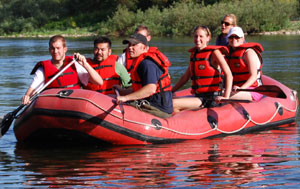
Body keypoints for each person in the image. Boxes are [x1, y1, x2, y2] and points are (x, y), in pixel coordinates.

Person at [22, 35, 103, 104]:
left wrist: (85, 64)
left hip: (73, 103)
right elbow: (32, 88)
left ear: (65, 49)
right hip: (52, 105)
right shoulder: (43, 68)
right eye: (52, 48)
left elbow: (99, 82)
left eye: (58, 48)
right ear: (49, 50)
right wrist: (27, 96)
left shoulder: (75, 63)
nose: (55, 51)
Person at [172, 26, 233, 113]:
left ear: (208, 38)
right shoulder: (194, 54)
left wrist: (226, 97)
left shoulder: (214, 53)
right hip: (198, 96)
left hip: (211, 98)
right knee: (168, 102)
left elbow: (229, 74)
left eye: (201, 36)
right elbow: (185, 78)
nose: (198, 39)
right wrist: (171, 91)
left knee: (173, 104)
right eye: (196, 36)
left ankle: (177, 125)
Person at [114, 33, 173, 118]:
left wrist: (126, 98)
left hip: (157, 109)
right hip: (150, 104)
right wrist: (121, 90)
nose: (130, 48)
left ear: (144, 47)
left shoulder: (147, 64)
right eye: (129, 45)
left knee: (122, 106)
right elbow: (138, 90)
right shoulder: (140, 62)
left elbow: (150, 89)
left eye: (134, 45)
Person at [226, 27, 264, 101]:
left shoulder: (249, 53)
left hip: (253, 89)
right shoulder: (228, 53)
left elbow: (254, 76)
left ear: (243, 39)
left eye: (237, 37)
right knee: (219, 93)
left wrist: (241, 89)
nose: (234, 39)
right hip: (235, 88)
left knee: (224, 94)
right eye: (231, 37)